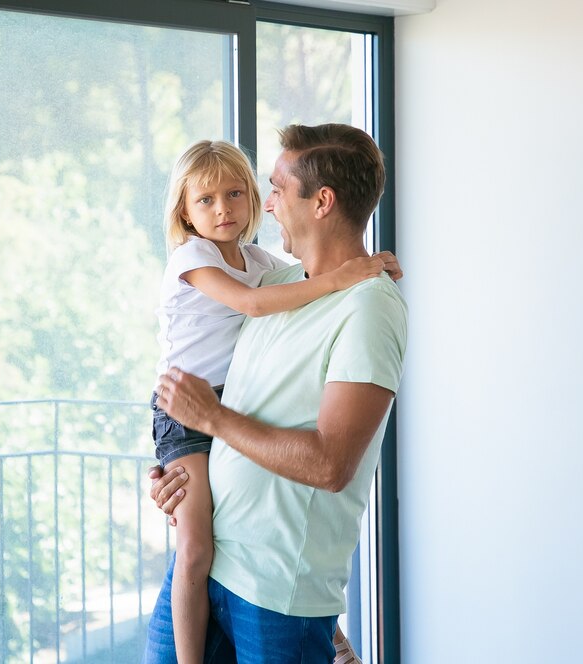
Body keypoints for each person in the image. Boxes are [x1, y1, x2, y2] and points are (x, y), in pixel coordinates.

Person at [145, 123, 408, 663]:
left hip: (274, 594)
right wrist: (186, 480)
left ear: (322, 202)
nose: (265, 206)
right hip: (213, 562)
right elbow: (236, 390)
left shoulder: (368, 306)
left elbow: (331, 465)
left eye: (276, 190)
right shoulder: (275, 285)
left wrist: (211, 420)